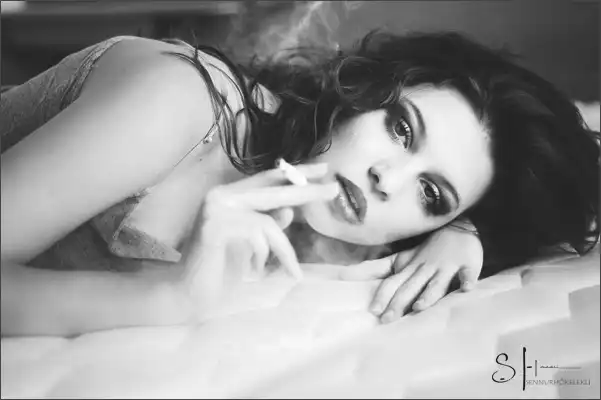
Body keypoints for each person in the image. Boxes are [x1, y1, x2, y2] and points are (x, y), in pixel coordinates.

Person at [1, 30, 598, 337]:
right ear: (363, 90)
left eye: (430, 193)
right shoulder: (178, 103)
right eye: (399, 128)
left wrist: (470, 233)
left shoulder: (344, 230)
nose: (387, 178)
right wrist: (172, 300)